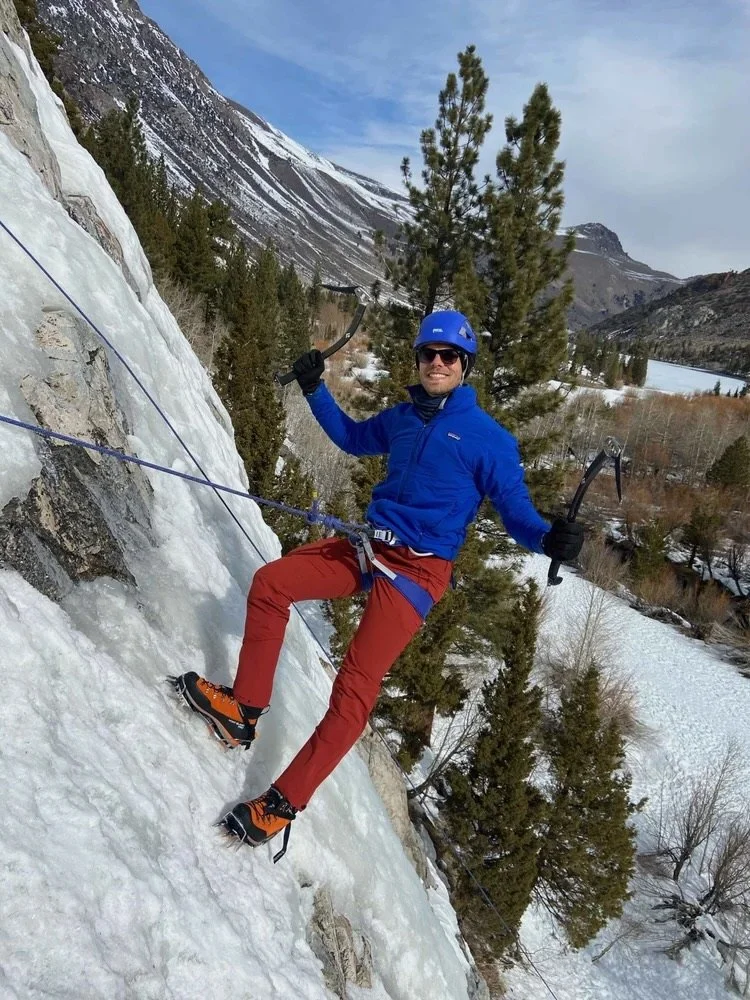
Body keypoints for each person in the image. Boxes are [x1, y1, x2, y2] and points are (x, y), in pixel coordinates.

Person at [172, 310, 583, 859]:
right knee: (272, 583)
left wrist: (549, 538)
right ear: (417, 359)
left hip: (416, 573)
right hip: (371, 548)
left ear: (466, 366)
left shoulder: (490, 441)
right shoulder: (404, 418)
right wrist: (315, 389)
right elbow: (350, 438)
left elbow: (516, 514)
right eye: (428, 354)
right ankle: (241, 713)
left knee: (353, 690)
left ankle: (281, 805)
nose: (437, 363)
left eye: (449, 356)